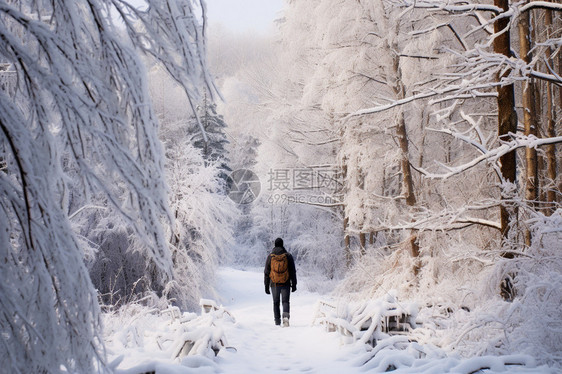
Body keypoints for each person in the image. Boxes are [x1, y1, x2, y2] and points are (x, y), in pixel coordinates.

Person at [264, 237, 297, 327]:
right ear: (282, 244)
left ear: (275, 245)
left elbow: (266, 272)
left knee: (276, 302)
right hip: (285, 283)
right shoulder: (288, 256)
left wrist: (266, 286)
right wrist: (294, 284)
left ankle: (277, 322)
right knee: (285, 301)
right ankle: (285, 318)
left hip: (274, 284)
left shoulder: (270, 257)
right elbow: (292, 271)